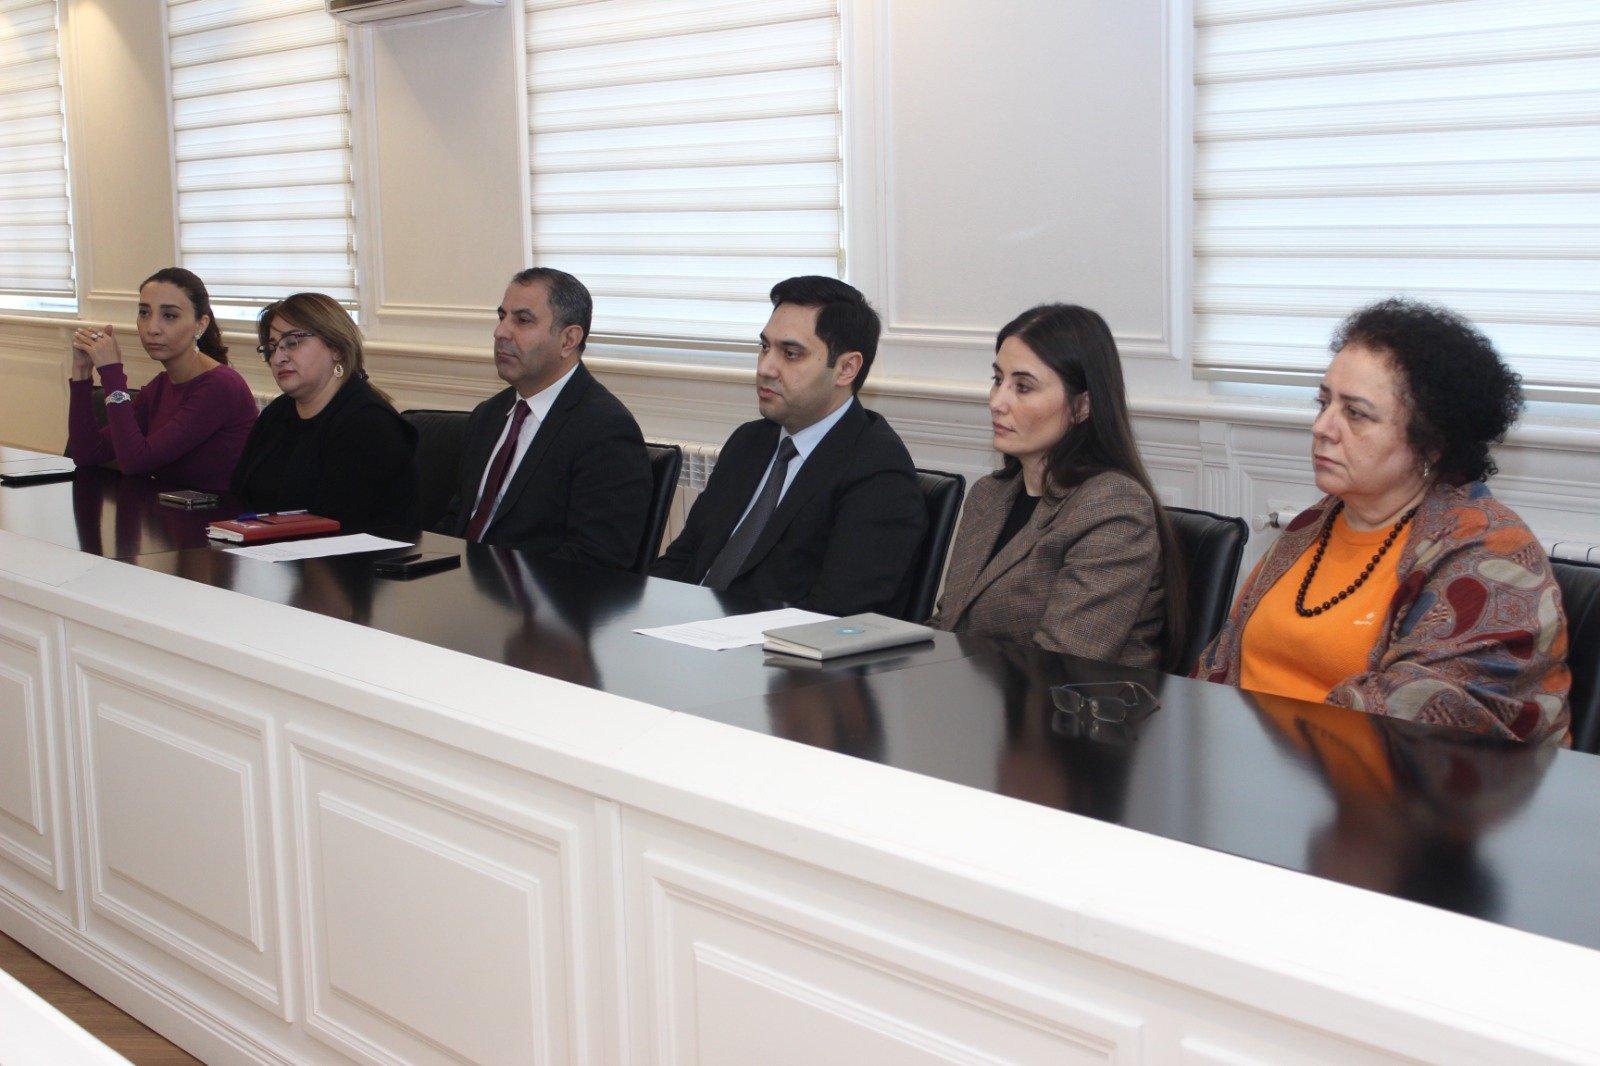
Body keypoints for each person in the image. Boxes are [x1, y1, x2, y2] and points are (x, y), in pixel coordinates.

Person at [1194, 299, 1570, 745]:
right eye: (1323, 403)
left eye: (1355, 413)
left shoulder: (1492, 553)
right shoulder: (1313, 523)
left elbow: (1418, 724)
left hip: (1369, 780)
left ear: (1430, 441)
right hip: (1246, 762)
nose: (1322, 427)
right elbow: (1220, 667)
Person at [929, 304, 1184, 671]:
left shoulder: (1113, 507)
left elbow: (1063, 663)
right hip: (975, 695)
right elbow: (949, 624)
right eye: (998, 380)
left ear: (1082, 407)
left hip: (1070, 704)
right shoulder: (989, 494)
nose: (997, 402)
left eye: (1023, 387)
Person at [652, 276, 926, 615]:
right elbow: (684, 558)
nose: (765, 367)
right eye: (765, 347)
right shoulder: (749, 441)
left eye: (791, 354)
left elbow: (835, 615)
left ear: (846, 368)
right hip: (686, 627)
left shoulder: (877, 471)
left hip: (769, 645)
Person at [436, 267, 651, 569]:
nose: (501, 332)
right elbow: (458, 521)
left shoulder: (605, 430)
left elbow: (595, 561)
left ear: (568, 339)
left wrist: (493, 585)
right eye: (502, 317)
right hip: (460, 582)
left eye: (522, 320)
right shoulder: (489, 414)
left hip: (532, 593)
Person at [231, 293, 420, 538]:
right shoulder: (277, 414)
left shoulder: (369, 424)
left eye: (292, 342)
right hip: (271, 552)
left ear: (337, 348)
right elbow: (240, 495)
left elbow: (342, 525)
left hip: (353, 558)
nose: (277, 358)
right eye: (272, 347)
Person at [67, 267, 257, 492]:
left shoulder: (221, 386)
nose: (152, 328)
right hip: (167, 510)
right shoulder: (161, 385)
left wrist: (111, 373)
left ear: (200, 324)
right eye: (144, 313)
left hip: (219, 514)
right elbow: (87, 454)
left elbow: (134, 462)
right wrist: (82, 374)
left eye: (169, 316)